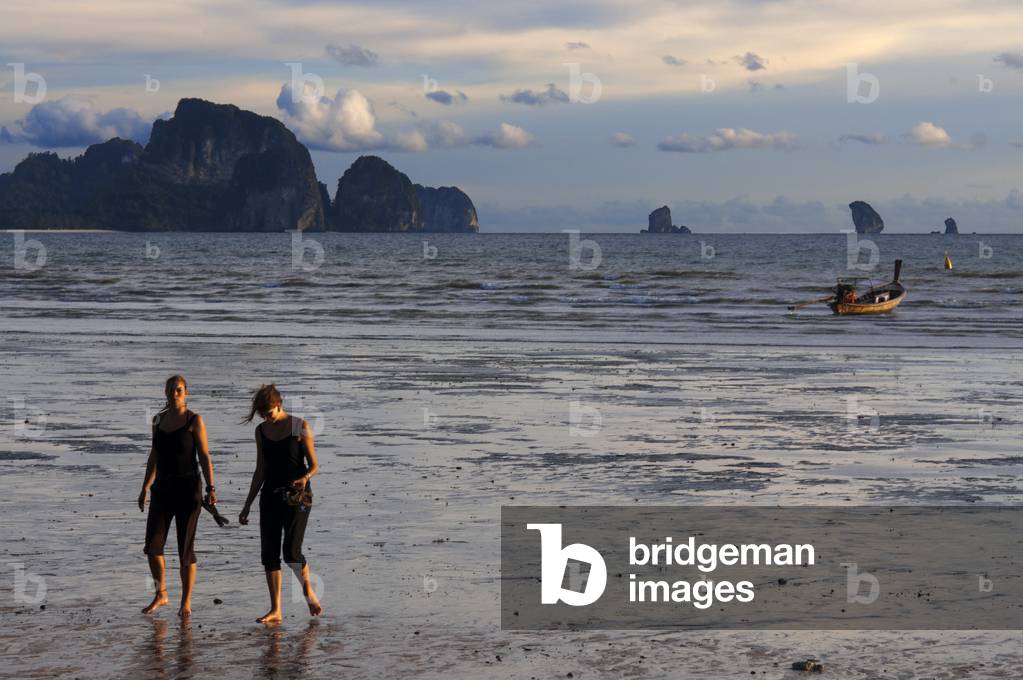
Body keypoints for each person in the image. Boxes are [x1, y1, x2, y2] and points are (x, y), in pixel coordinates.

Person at [239, 384, 322, 623]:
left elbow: (314, 465)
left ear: (279, 404)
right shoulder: (261, 431)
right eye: (262, 414)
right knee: (269, 553)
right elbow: (260, 470)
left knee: (291, 552)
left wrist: (305, 477)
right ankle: (276, 609)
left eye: (269, 413)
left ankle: (308, 591)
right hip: (270, 495)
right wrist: (247, 505)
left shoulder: (299, 426)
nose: (267, 417)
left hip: (298, 496)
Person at [139, 375, 216, 617]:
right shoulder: (158, 420)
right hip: (162, 488)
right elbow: (154, 455)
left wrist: (211, 487)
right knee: (153, 546)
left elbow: (204, 455)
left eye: (179, 389)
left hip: (188, 489)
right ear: (165, 392)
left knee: (185, 549)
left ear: (186, 392)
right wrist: (145, 487)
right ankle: (161, 593)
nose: (175, 393)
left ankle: (186, 602)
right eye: (171, 389)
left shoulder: (194, 420)